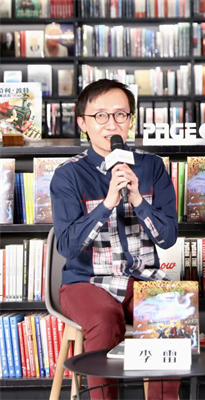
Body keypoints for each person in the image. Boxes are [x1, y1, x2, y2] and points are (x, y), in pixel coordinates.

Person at [50, 79, 179, 400]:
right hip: (86, 281)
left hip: (142, 277)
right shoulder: (69, 174)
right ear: (83, 123)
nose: (112, 124)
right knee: (105, 319)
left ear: (130, 120)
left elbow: (168, 238)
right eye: (101, 116)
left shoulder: (152, 167)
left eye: (121, 115)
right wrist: (107, 203)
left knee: (170, 311)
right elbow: (67, 246)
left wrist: (138, 200)